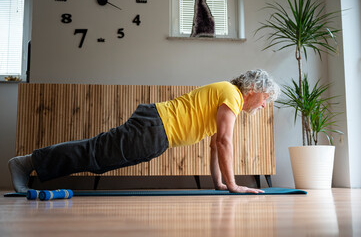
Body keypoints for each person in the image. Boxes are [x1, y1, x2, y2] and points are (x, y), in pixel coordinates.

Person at [8, 69, 280, 193]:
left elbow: (214, 145)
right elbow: (224, 142)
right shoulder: (232, 95)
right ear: (253, 90)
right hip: (156, 127)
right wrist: (233, 186)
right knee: (95, 153)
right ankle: (26, 163)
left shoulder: (227, 95)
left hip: (156, 131)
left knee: (98, 158)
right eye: (266, 98)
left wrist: (220, 183)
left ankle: (31, 164)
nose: (265, 104)